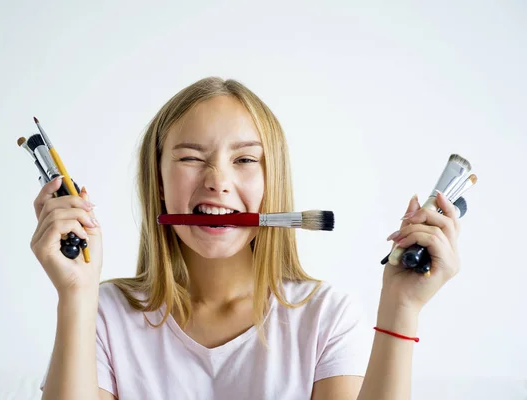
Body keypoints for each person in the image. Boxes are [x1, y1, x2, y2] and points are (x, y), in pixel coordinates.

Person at [33, 77, 462, 400]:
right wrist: (75, 294)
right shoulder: (102, 315)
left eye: (244, 159)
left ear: (271, 183)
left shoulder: (326, 318)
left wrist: (401, 307)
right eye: (190, 157)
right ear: (158, 182)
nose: (218, 181)